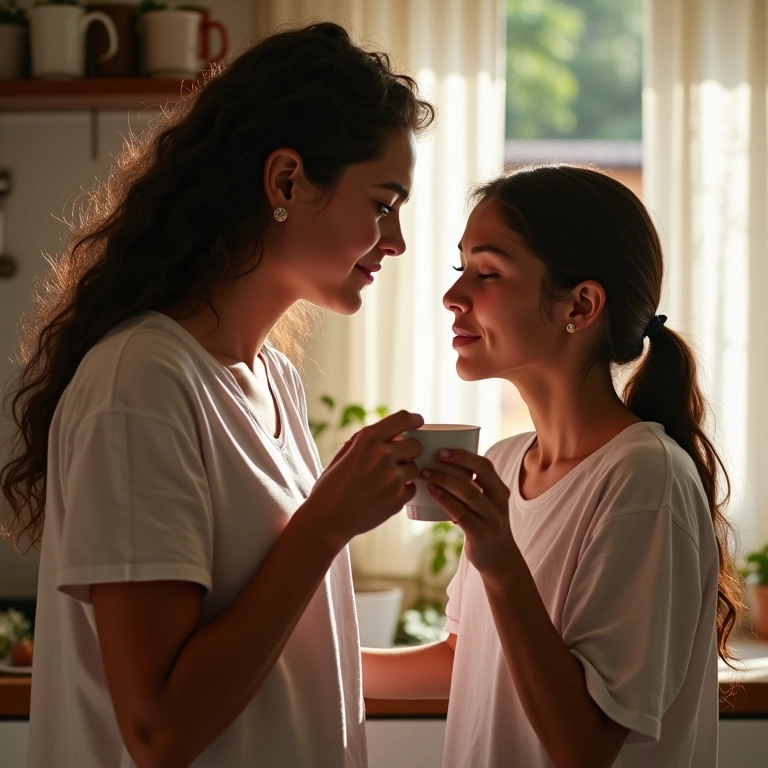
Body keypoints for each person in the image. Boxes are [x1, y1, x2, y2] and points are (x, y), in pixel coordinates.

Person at [0, 22, 434, 768]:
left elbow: (282, 656)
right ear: (287, 181)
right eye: (383, 202)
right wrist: (327, 522)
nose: (395, 241)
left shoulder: (273, 384)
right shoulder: (141, 383)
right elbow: (161, 728)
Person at [362, 164, 743, 767]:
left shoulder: (645, 477)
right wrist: (300, 651)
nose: (453, 295)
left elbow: (583, 743)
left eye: (487, 272)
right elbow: (469, 656)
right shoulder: (506, 462)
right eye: (460, 267)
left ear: (582, 305)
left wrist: (498, 554)